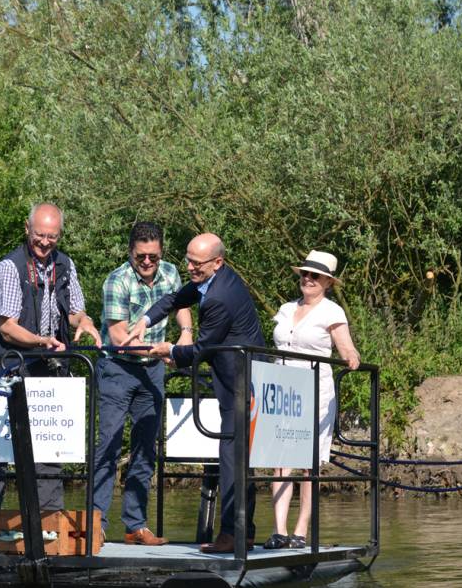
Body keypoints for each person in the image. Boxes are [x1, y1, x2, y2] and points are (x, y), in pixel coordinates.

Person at [0, 202, 102, 550]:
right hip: (7, 367)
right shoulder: (9, 268)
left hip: (48, 368)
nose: (45, 243)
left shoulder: (65, 264)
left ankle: (48, 532)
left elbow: (75, 311)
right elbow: (9, 328)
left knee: (50, 448)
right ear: (27, 231)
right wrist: (42, 341)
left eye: (52, 237)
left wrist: (85, 322)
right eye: (40, 236)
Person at [126, 233, 264, 554]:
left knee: (232, 459)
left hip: (241, 384)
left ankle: (232, 535)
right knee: (238, 459)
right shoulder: (211, 281)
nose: (189, 267)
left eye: (196, 263)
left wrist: (170, 350)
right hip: (239, 380)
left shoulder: (219, 297)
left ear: (218, 262)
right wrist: (144, 321)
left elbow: (203, 348)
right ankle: (245, 532)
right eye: (187, 259)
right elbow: (176, 298)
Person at [93, 222, 193, 546]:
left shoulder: (171, 273)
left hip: (152, 371)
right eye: (141, 257)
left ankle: (135, 524)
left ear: (161, 251)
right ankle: (96, 521)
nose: (147, 262)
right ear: (130, 252)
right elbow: (120, 337)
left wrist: (186, 335)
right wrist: (161, 349)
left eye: (153, 256)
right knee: (108, 444)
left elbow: (180, 306)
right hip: (118, 368)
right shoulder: (117, 281)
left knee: (146, 449)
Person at [263, 250, 360, 550]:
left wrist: (350, 357)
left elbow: (348, 351)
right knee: (279, 462)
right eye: (305, 273)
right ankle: (279, 531)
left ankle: (300, 531)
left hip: (314, 392)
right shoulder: (285, 308)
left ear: (327, 282)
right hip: (282, 392)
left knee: (308, 464)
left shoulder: (332, 312)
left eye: (314, 275)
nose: (308, 278)